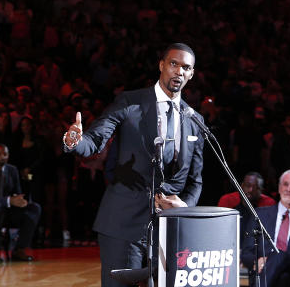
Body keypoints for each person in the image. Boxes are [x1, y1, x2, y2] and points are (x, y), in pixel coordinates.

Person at [62, 43, 205, 287]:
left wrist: (183, 207)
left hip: (168, 233)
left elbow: (195, 181)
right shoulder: (131, 102)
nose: (179, 71)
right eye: (174, 64)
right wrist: (75, 140)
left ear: (191, 74)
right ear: (161, 65)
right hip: (123, 225)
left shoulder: (195, 120)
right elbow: (95, 140)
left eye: (186, 67)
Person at [0, 144, 41, 263]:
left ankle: (20, 249)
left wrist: (19, 200)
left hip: (10, 210)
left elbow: (17, 192)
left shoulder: (12, 169)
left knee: (34, 208)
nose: (2, 157)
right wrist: (7, 201)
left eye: (5, 154)